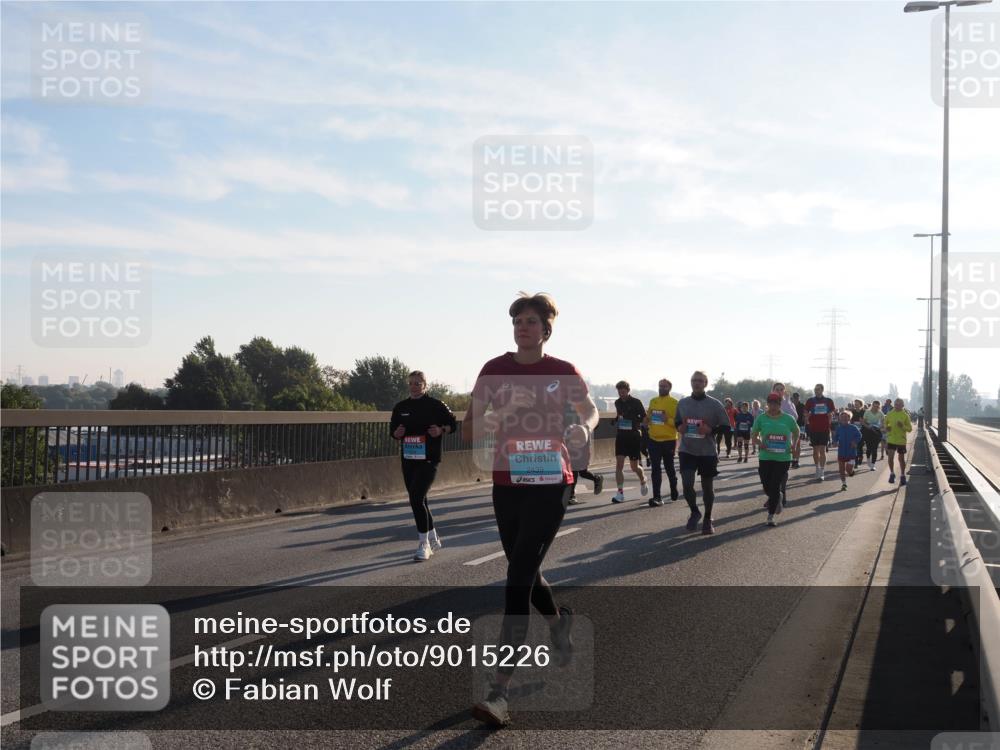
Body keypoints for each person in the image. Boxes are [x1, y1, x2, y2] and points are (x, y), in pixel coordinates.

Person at [463, 292, 599, 727]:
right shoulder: (494, 370)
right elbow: (468, 426)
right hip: (508, 483)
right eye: (518, 320)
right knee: (528, 569)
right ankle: (559, 626)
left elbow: (591, 409)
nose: (523, 326)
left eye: (531, 320)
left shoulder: (562, 372)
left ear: (546, 329)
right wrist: (499, 412)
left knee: (517, 577)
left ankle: (499, 691)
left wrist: (583, 426)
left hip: (551, 482)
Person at [390, 371, 458, 561]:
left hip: (429, 459)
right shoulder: (400, 407)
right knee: (420, 500)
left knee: (416, 497)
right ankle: (432, 534)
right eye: (411, 383)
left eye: (418, 383)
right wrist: (397, 432)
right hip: (409, 459)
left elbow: (453, 425)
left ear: (425, 385)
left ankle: (424, 544)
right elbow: (393, 432)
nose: (413, 386)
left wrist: (441, 430)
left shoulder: (436, 405)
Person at [674, 371, 731, 535]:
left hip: (707, 451)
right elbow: (677, 421)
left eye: (700, 381)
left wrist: (711, 430)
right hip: (687, 449)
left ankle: (707, 517)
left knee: (707, 487)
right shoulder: (683, 403)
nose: (696, 383)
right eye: (694, 380)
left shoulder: (715, 404)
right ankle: (694, 511)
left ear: (705, 383)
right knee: (686, 484)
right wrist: (679, 428)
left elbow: (726, 427)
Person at [751, 392, 800, 527]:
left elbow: (796, 432)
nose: (773, 406)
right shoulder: (761, 418)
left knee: (774, 484)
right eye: (771, 403)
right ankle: (777, 495)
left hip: (783, 458)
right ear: (767, 404)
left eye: (776, 403)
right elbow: (754, 435)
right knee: (766, 485)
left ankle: (770, 516)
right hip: (765, 457)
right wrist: (760, 443)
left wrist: (794, 445)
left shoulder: (788, 418)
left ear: (780, 404)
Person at [611, 380, 648, 503]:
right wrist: (615, 420)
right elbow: (620, 415)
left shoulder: (636, 402)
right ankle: (620, 493)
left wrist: (636, 422)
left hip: (633, 437)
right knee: (619, 465)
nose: (621, 394)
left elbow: (644, 417)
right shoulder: (617, 403)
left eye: (623, 391)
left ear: (628, 391)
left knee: (634, 467)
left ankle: (643, 480)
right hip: (621, 436)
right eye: (619, 392)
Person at [644, 378, 679, 506]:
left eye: (664, 386)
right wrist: (645, 421)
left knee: (669, 467)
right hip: (654, 440)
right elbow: (648, 416)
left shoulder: (675, 403)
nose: (661, 388)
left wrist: (667, 420)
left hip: (669, 440)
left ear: (669, 388)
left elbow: (678, 423)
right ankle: (657, 497)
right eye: (660, 386)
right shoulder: (653, 401)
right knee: (655, 469)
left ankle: (673, 487)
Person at [772, 382, 799, 504]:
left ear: (784, 391)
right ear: (773, 390)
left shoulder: (789, 403)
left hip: (784, 439)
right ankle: (773, 494)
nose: (779, 391)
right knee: (771, 471)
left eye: (781, 389)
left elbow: (795, 417)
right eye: (777, 389)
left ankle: (782, 491)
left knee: (783, 469)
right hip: (771, 440)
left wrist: (787, 402)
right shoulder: (770, 403)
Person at [804, 384, 836, 482]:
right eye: (815, 389)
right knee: (815, 451)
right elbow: (805, 412)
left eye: (818, 389)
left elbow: (832, 412)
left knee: (822, 450)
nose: (816, 391)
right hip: (813, 428)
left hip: (824, 428)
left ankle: (822, 471)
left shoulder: (828, 401)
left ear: (822, 390)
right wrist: (807, 418)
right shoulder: (810, 401)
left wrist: (830, 417)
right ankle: (817, 468)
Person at [883, 398, 913, 486]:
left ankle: (903, 475)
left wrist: (902, 426)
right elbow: (885, 423)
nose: (897, 406)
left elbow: (910, 429)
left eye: (899, 404)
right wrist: (886, 427)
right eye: (896, 404)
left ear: (903, 406)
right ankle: (892, 474)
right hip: (891, 439)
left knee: (901, 459)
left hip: (901, 440)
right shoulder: (889, 414)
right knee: (890, 457)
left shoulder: (905, 415)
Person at [831, 411, 863, 491]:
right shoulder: (838, 428)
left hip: (851, 451)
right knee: (841, 469)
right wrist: (835, 442)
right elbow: (835, 437)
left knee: (848, 470)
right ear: (840, 419)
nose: (844, 418)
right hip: (841, 451)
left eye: (846, 417)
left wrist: (855, 442)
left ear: (849, 418)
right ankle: (844, 484)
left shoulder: (853, 427)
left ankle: (851, 472)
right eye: (842, 417)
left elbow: (859, 435)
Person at [862, 401, 884, 470]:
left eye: (877, 407)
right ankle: (868, 460)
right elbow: (863, 422)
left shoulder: (880, 413)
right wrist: (868, 426)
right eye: (874, 406)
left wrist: (879, 426)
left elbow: (883, 422)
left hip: (876, 432)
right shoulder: (867, 412)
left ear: (879, 407)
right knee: (869, 448)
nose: (876, 408)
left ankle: (873, 464)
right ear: (872, 406)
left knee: (875, 448)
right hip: (868, 431)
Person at [790, 392, 806, 468]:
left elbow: (805, 416)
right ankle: (793, 459)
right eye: (794, 398)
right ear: (792, 398)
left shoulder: (802, 405)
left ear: (799, 398)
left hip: (800, 426)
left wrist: (805, 428)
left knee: (797, 444)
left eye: (797, 398)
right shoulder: (789, 405)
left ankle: (796, 460)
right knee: (791, 444)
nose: (796, 399)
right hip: (790, 426)